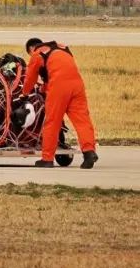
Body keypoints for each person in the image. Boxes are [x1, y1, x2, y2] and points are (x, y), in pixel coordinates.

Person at [21, 37, 99, 169]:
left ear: (31, 49)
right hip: (77, 85)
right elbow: (59, 70)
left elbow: (30, 77)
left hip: (59, 87)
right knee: (82, 121)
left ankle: (47, 159)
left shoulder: (37, 54)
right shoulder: (62, 48)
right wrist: (45, 86)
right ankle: (89, 152)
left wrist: (25, 93)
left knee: (52, 121)